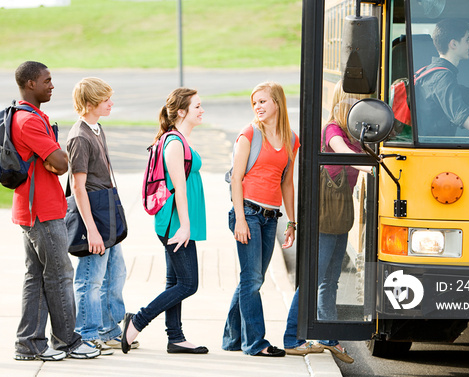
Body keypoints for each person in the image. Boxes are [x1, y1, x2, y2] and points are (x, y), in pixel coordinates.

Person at [10, 61, 99, 361]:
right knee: (60, 275)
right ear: (30, 84)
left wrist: (53, 158)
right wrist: (54, 159)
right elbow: (61, 163)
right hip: (43, 212)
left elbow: (57, 159)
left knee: (36, 276)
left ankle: (29, 343)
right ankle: (66, 341)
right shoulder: (29, 121)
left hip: (34, 209)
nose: (51, 85)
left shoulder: (30, 116)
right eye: (46, 80)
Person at [283, 81, 373, 362]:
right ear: (344, 103)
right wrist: (376, 166)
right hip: (324, 216)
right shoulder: (333, 130)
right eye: (356, 103)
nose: (361, 109)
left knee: (330, 280)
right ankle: (291, 337)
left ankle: (327, 337)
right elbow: (347, 156)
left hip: (339, 214)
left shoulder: (352, 133)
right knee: (314, 278)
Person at [121, 88, 208, 355]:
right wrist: (184, 226)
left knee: (175, 282)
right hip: (174, 223)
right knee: (188, 284)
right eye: (197, 106)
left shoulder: (180, 139)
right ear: (181, 111)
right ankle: (137, 321)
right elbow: (178, 188)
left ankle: (176, 337)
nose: (201, 110)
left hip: (179, 222)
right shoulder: (174, 143)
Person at [222, 82, 300, 357]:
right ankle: (255, 343)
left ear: (277, 102)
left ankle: (232, 338)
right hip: (249, 213)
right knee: (252, 279)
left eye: (263, 101)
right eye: (254, 102)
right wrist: (240, 219)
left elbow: (287, 183)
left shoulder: (291, 138)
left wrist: (292, 222)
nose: (258, 107)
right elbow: (236, 180)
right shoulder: (249, 134)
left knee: (252, 278)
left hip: (271, 217)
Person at [66, 77, 131, 356]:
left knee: (115, 273)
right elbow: (78, 187)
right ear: (91, 104)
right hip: (93, 216)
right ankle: (86, 333)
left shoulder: (96, 128)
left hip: (106, 212)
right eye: (106, 100)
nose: (111, 104)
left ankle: (107, 329)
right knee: (90, 278)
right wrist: (92, 230)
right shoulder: (80, 137)